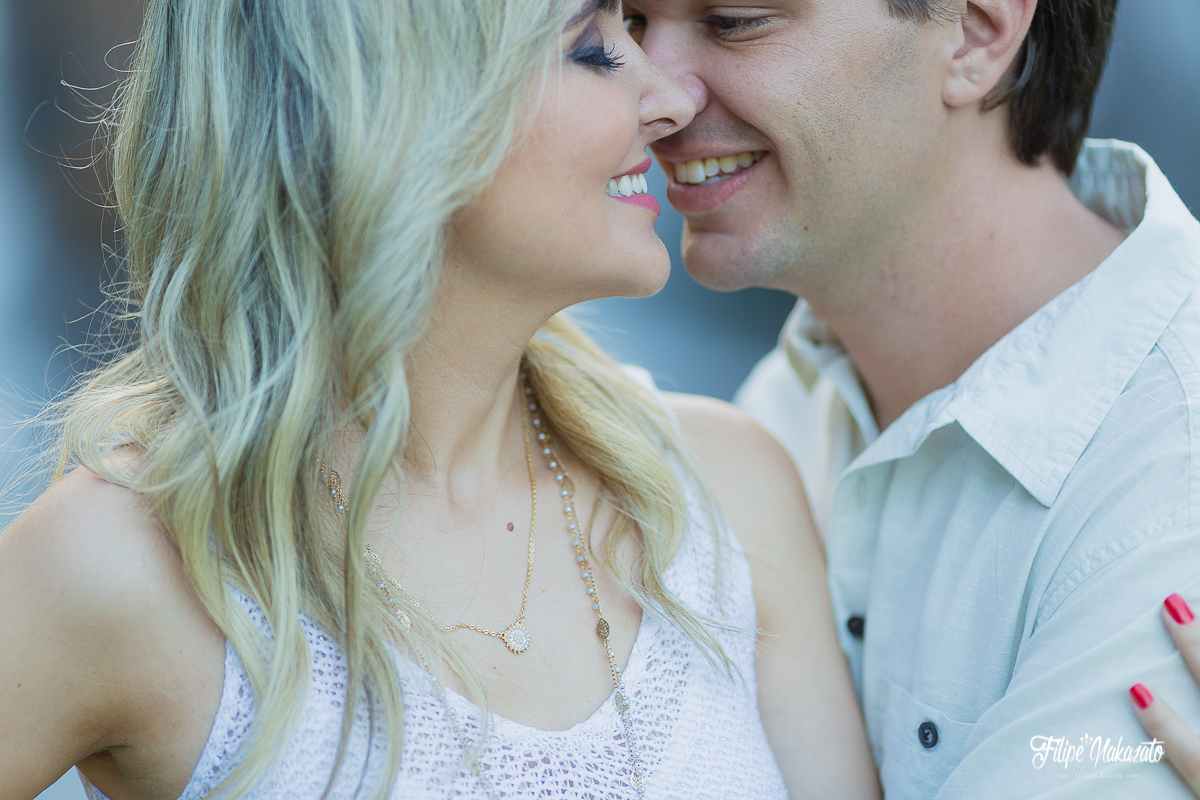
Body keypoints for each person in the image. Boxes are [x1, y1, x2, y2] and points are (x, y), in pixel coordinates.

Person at [0, 1, 882, 798]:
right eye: (590, 48)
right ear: (395, 112)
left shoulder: (724, 495)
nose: (673, 100)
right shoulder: (126, 566)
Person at [626, 0, 1200, 796]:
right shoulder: (779, 411)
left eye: (734, 19)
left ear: (976, 29)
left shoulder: (1172, 474)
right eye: (630, 23)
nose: (649, 94)